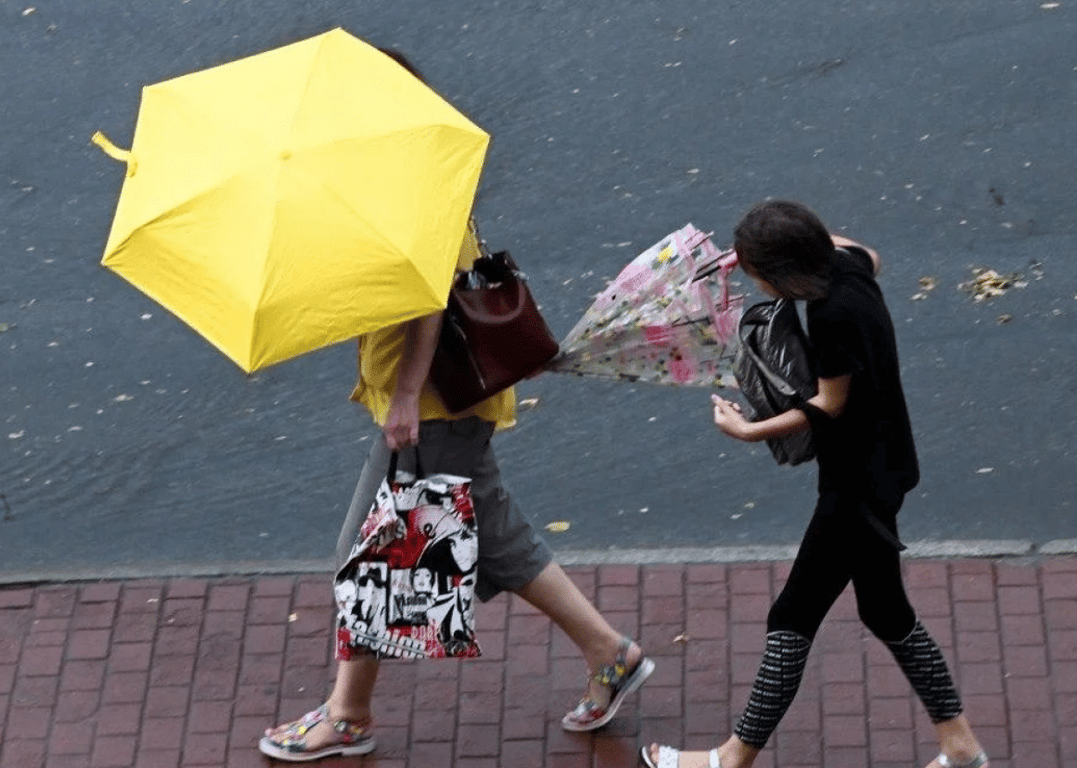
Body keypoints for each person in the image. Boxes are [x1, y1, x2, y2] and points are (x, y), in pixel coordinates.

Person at [258, 50, 653, 764]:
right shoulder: (408, 166)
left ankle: (348, 715)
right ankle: (610, 653)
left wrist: (406, 394)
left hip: (436, 404)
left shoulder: (410, 183)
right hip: (446, 402)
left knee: (369, 554)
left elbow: (427, 298)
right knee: (493, 537)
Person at [642, 200, 988, 768]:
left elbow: (829, 402)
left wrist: (749, 430)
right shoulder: (848, 264)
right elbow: (866, 252)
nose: (750, 279)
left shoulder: (830, 316)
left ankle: (731, 759)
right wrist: (776, 245)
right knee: (885, 612)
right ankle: (961, 746)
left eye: (754, 270)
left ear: (781, 273)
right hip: (887, 465)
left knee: (792, 615)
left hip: (855, 486)